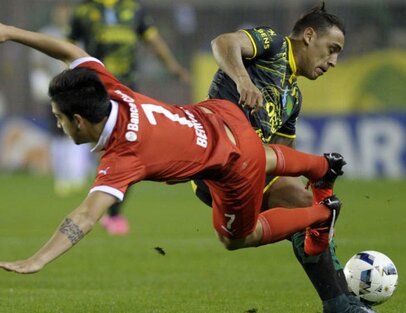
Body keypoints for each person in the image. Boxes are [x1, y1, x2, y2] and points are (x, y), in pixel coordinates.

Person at [0, 24, 345, 283]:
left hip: (234, 163)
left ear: (78, 120)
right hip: (219, 114)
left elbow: (86, 216)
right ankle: (322, 165)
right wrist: (11, 32)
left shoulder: (123, 157)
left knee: (239, 237)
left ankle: (320, 214)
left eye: (60, 119)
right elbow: (69, 51)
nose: (58, 125)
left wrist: (38, 260)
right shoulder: (110, 90)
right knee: (263, 152)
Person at [193, 4, 375, 313]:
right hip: (218, 164)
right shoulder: (274, 45)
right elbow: (223, 42)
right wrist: (242, 80)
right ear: (308, 35)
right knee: (306, 208)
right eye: (331, 49)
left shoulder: (294, 97)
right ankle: (341, 302)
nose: (333, 62)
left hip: (249, 171)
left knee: (310, 207)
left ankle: (341, 301)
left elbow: (280, 157)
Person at [68, 0, 192, 234]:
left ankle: (112, 213)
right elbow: (69, 46)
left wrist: (173, 66)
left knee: (127, 149)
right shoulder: (84, 11)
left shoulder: (134, 10)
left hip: (126, 92)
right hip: (94, 90)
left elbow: (154, 41)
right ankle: (103, 207)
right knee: (109, 151)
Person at [30, 2, 93, 196]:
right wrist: (39, 82)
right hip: (55, 92)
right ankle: (62, 176)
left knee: (81, 130)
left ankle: (78, 175)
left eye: (66, 13)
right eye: (60, 13)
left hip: (75, 91)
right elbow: (38, 63)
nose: (62, 16)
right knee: (57, 133)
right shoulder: (46, 33)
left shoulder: (80, 36)